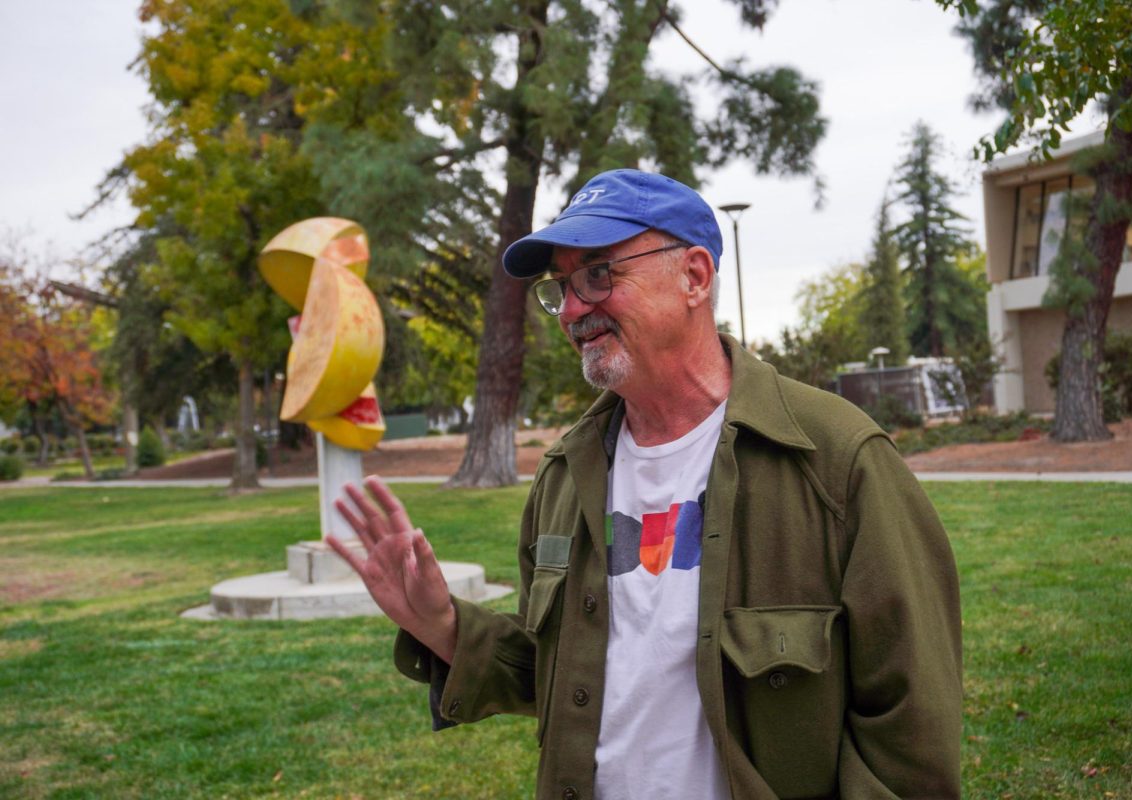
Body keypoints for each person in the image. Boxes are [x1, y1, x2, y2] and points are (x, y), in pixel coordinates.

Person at [329, 169, 962, 800]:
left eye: (599, 274)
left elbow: (910, 725)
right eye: (562, 288)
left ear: (694, 276)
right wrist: (442, 625)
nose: (573, 308)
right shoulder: (564, 476)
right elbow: (562, 676)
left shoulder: (837, 459)